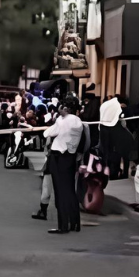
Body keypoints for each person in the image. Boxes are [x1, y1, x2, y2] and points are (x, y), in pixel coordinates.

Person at [43, 96, 84, 234]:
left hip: (58, 157)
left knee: (60, 192)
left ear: (65, 108)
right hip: (70, 157)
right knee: (70, 191)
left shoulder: (62, 120)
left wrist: (58, 119)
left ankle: (63, 225)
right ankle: (75, 223)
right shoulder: (78, 122)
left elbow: (47, 133)